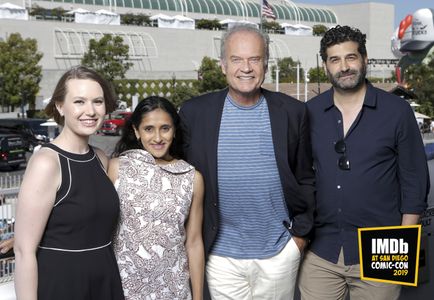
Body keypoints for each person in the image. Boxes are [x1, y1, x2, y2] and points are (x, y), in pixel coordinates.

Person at [179, 24, 315, 300]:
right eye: (237, 59)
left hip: (279, 253)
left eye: (254, 59)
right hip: (220, 256)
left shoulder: (293, 112)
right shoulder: (195, 113)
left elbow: (306, 177)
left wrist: (299, 239)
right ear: (222, 66)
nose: (246, 68)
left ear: (265, 64)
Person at [299, 25, 429, 300]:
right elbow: (300, 176)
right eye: (335, 60)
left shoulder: (397, 111)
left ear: (365, 59)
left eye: (351, 57)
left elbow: (415, 182)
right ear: (325, 66)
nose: (344, 67)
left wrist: (401, 246)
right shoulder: (310, 113)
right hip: (322, 248)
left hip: (385, 245)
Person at [13, 66, 124, 300]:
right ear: (60, 106)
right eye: (79, 102)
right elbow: (24, 252)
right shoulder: (46, 162)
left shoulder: (101, 158)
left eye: (98, 101)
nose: (91, 111)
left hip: (106, 280)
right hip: (62, 285)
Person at [108, 96, 205, 299]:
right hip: (124, 287)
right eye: (149, 129)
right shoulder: (117, 168)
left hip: (174, 289)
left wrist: (197, 297)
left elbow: (194, 242)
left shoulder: (192, 178)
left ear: (174, 130)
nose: (158, 137)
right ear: (136, 131)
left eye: (165, 128)